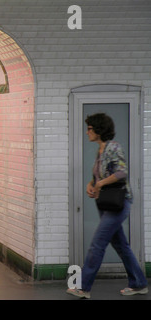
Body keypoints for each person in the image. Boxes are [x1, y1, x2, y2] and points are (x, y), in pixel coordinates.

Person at [67, 113, 148, 299]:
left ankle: (83, 287)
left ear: (99, 130)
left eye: (89, 129)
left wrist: (100, 184)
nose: (87, 132)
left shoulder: (114, 147)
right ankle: (139, 283)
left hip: (119, 203)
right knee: (121, 245)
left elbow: (122, 172)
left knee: (97, 243)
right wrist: (91, 183)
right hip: (105, 203)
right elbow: (98, 175)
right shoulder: (100, 150)